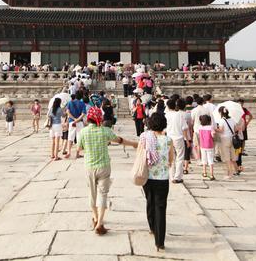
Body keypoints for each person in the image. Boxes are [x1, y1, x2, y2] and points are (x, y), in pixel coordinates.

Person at [77, 106, 137, 235]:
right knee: (103, 194)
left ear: (88, 118)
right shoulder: (105, 131)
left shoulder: (83, 132)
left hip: (89, 166)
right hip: (104, 166)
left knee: (92, 193)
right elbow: (119, 140)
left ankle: (95, 217)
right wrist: (133, 143)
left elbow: (79, 148)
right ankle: (100, 223)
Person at [141, 112, 174, 251]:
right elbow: (171, 159)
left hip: (148, 177)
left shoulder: (145, 138)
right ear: (164, 125)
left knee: (150, 202)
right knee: (160, 207)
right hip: (162, 178)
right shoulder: (168, 140)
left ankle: (152, 227)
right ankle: (160, 242)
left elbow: (140, 155)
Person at [165, 98, 188, 183]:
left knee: (171, 158)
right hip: (178, 138)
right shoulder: (179, 115)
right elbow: (184, 127)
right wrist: (187, 139)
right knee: (180, 157)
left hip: (169, 138)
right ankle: (177, 177)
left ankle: (171, 176)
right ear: (175, 106)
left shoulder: (166, 115)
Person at [214, 106, 240, 179]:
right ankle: (236, 171)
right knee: (233, 157)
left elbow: (221, 130)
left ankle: (229, 174)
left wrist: (215, 129)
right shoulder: (232, 119)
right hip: (232, 139)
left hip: (225, 139)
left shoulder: (221, 120)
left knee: (227, 158)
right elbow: (235, 129)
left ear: (220, 113)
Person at [67, 94, 86, 158]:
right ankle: (77, 153)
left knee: (70, 137)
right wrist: (77, 120)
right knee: (79, 138)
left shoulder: (70, 102)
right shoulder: (82, 103)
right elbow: (83, 114)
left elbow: (68, 112)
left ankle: (69, 151)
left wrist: (74, 119)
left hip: (71, 122)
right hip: (79, 122)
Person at [198, 115, 215, 180]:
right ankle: (211, 174)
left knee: (204, 159)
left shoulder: (200, 127)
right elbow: (213, 135)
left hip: (202, 145)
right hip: (210, 145)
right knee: (210, 160)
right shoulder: (211, 127)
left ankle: (204, 172)